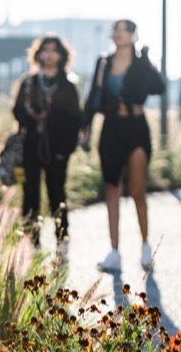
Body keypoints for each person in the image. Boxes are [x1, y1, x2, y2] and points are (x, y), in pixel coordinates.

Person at [81, 19, 166, 274]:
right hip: (111, 128)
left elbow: (158, 87)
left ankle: (145, 246)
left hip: (136, 127)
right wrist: (85, 128)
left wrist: (145, 58)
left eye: (124, 30)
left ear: (133, 35)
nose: (119, 33)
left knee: (138, 189)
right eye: (116, 29)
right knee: (112, 188)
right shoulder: (103, 63)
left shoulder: (141, 62)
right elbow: (93, 98)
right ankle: (114, 251)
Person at [12, 35, 82, 259]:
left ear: (61, 55)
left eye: (54, 50)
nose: (49, 54)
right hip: (31, 147)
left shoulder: (68, 85)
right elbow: (17, 110)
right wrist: (34, 118)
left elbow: (75, 120)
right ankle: (31, 240)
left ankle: (62, 238)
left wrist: (64, 150)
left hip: (57, 150)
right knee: (30, 194)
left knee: (57, 195)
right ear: (38, 54)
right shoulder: (29, 82)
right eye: (45, 50)